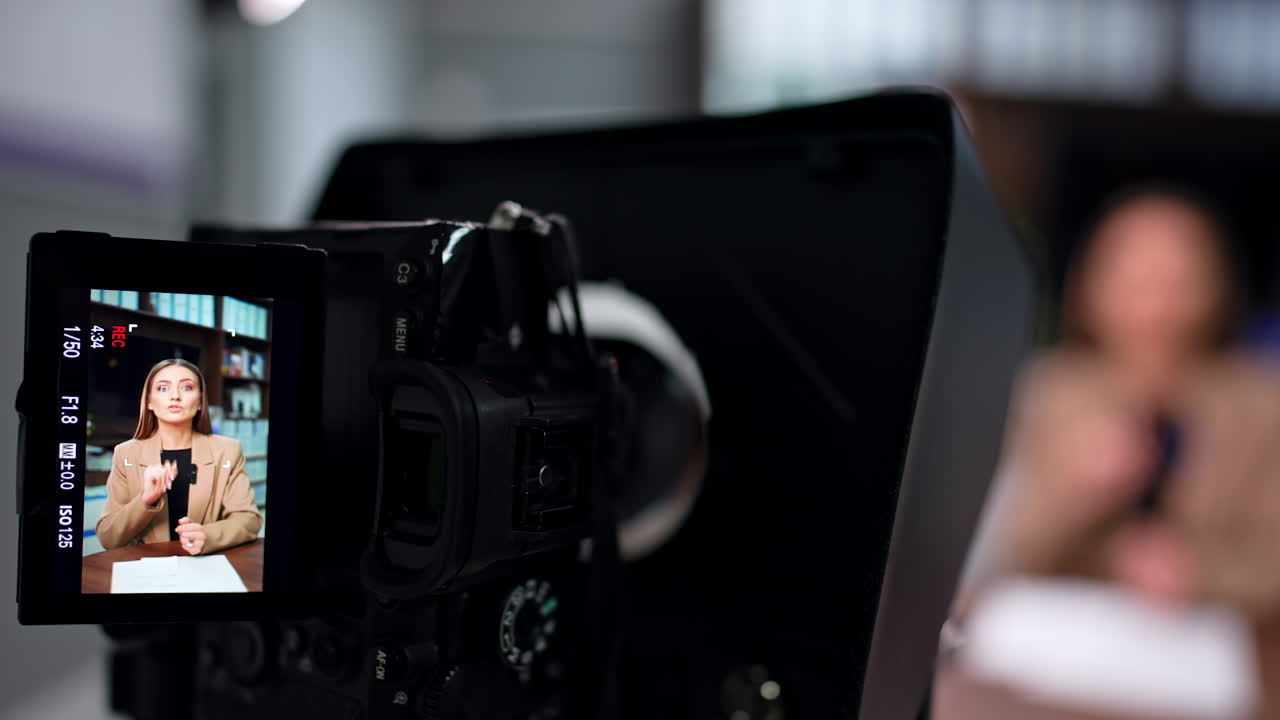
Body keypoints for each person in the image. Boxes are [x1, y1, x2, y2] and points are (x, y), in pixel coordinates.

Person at [96, 358, 261, 555]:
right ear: (149, 402)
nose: (175, 396)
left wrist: (208, 535)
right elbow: (108, 537)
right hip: (146, 568)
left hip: (207, 566)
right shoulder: (126, 453)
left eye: (187, 387)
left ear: (200, 402)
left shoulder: (227, 450)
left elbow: (249, 520)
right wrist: (146, 500)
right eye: (163, 388)